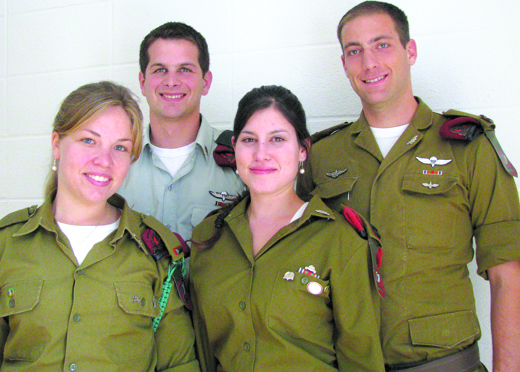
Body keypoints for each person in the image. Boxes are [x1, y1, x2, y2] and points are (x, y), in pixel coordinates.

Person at [297, 2, 520, 371]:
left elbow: (507, 273)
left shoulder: (467, 147)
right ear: (344, 64)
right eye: (355, 51)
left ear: (410, 51)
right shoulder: (321, 155)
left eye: (382, 45)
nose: (369, 63)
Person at [0, 81, 200, 371]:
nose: (103, 161)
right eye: (89, 140)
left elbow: (178, 363)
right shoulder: (8, 242)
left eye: (120, 147)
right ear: (57, 144)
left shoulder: (155, 249)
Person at [190, 85, 385, 372]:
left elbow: (361, 360)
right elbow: (203, 352)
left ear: (303, 150)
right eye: (249, 140)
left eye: (277, 139)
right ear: (235, 148)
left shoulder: (340, 239)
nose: (261, 153)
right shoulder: (209, 237)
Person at [118, 22, 243, 243]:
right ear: (143, 82)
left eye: (184, 69)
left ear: (206, 82)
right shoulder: (115, 160)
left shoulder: (244, 155)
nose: (172, 81)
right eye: (160, 70)